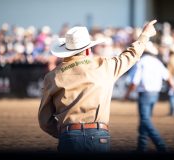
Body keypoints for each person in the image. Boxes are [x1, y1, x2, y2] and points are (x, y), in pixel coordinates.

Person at [38, 20, 158, 153]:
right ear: (88, 50)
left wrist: (64, 133)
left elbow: (44, 120)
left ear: (66, 51)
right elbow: (131, 55)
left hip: (69, 136)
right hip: (98, 135)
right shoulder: (104, 66)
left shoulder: (52, 77)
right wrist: (145, 34)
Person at [124, 41, 174, 152]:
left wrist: (127, 95)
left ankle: (160, 145)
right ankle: (141, 147)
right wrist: (172, 86)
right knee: (145, 121)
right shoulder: (157, 62)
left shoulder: (141, 62)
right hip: (154, 94)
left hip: (145, 94)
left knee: (145, 120)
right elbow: (168, 76)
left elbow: (134, 81)